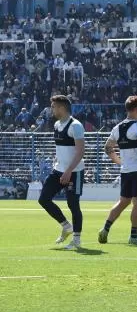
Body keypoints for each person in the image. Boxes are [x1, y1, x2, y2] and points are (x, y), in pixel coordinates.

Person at [99, 96, 137, 245]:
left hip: (126, 171)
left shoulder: (117, 128)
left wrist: (119, 162)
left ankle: (105, 229)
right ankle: (134, 236)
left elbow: (107, 147)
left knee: (123, 202)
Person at [39, 95, 84, 250]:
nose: (52, 109)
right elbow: (60, 149)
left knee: (73, 204)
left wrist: (69, 171)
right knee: (43, 199)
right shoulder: (57, 124)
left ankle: (77, 240)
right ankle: (66, 226)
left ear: (62, 107)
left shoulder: (75, 126)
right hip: (58, 170)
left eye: (54, 106)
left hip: (74, 172)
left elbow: (80, 152)